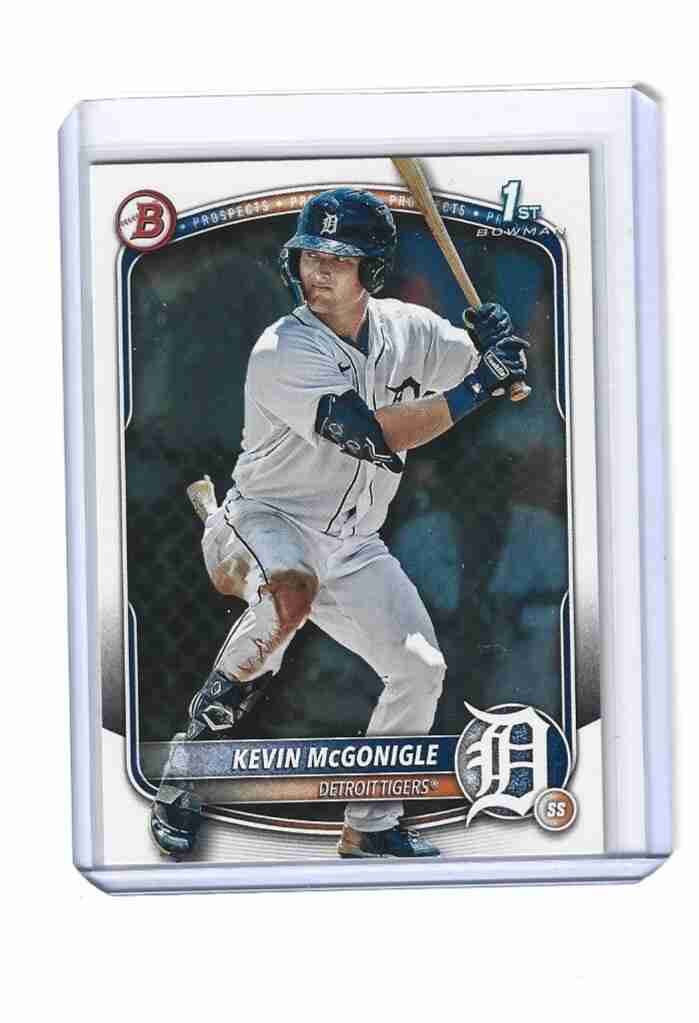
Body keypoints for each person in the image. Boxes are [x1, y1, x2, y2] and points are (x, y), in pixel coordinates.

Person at [149, 187, 529, 858]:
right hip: (264, 521)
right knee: (290, 594)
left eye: (338, 258)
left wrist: (496, 347)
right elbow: (368, 435)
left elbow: (490, 368)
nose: (318, 270)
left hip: (354, 543)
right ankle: (187, 774)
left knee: (420, 668)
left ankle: (371, 823)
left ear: (371, 269)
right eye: (310, 255)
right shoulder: (282, 348)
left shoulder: (410, 330)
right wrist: (479, 386)